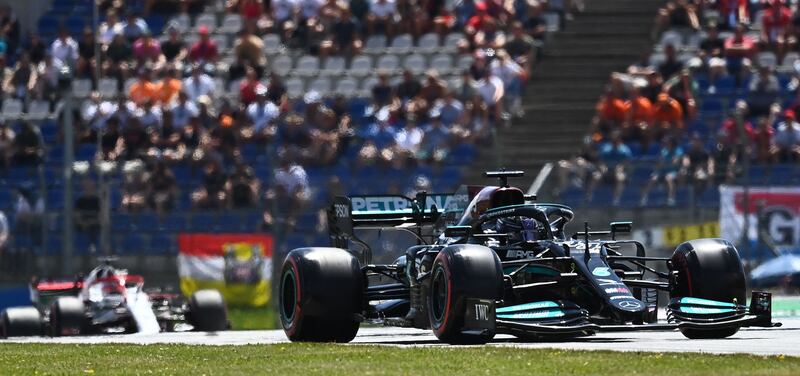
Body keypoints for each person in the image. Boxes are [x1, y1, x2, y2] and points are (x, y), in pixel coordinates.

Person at [588, 132, 631, 205]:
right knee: (596, 176)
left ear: (619, 140)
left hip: (618, 171)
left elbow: (626, 163)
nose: (615, 141)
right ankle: (589, 197)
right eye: (613, 139)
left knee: (620, 178)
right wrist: (602, 167)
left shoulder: (625, 150)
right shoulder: (605, 148)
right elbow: (600, 161)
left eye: (616, 139)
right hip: (606, 171)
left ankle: (616, 199)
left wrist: (621, 167)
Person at [640, 137, 684, 206]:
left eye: (668, 142)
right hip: (662, 170)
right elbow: (660, 162)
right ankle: (643, 199)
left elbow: (676, 162)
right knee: (652, 178)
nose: (666, 144)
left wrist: (666, 163)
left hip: (673, 170)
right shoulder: (664, 150)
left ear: (672, 143)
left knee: (669, 178)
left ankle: (671, 200)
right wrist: (661, 165)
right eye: (665, 143)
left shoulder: (678, 150)